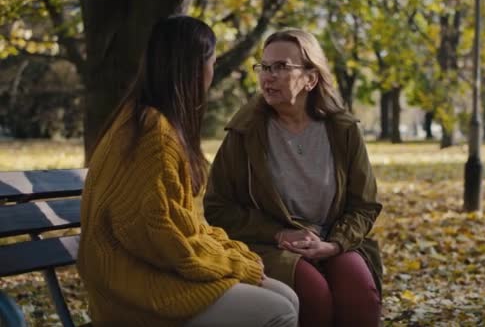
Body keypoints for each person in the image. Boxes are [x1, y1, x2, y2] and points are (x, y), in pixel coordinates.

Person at [76, 16, 298, 327]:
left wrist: (238, 255)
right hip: (136, 291)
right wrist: (236, 264)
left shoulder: (147, 120)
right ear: (192, 68)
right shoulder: (152, 135)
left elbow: (185, 223)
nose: (212, 72)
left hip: (153, 272)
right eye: (212, 62)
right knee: (280, 310)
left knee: (286, 297)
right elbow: (166, 238)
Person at [204, 29, 383, 327]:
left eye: (281, 67)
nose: (268, 76)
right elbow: (218, 208)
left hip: (332, 238)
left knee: (360, 296)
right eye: (264, 66)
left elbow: (364, 205)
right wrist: (279, 234)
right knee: (314, 296)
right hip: (272, 245)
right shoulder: (243, 133)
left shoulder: (343, 131)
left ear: (311, 79)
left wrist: (334, 245)